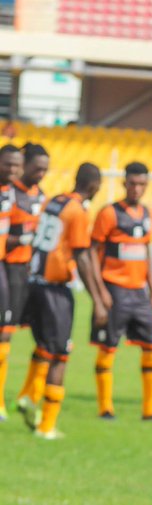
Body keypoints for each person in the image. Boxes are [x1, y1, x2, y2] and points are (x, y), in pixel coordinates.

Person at [21, 162, 104, 439]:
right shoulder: (78, 210)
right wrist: (98, 299)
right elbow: (81, 256)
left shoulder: (53, 200)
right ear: (94, 186)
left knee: (45, 347)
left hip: (34, 282)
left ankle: (27, 397)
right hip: (55, 289)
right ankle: (47, 426)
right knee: (60, 355)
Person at [89, 162, 152, 421]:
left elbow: (146, 256)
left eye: (142, 184)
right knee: (109, 346)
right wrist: (101, 292)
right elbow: (93, 254)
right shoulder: (108, 213)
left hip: (139, 294)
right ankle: (105, 407)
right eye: (132, 183)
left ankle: (150, 411)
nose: (137, 189)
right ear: (124, 183)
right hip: (115, 290)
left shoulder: (148, 214)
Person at [7, 143, 48, 415]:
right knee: (4, 336)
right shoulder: (10, 195)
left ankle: (26, 396)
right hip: (9, 270)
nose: (41, 174)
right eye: (37, 169)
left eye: (45, 170)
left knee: (46, 337)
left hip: (33, 275)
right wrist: (22, 239)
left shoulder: (41, 196)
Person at [0, 144, 21, 421]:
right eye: (8, 165)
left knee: (5, 333)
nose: (13, 170)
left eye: (17, 166)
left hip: (4, 268)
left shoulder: (11, 193)